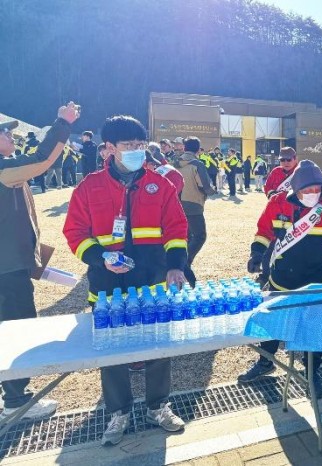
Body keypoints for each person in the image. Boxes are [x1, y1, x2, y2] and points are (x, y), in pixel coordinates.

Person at [63, 115, 188, 446]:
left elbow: (176, 228)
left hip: (152, 283)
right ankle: (118, 411)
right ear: (109, 149)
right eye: (129, 145)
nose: (137, 151)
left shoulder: (160, 185)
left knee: (160, 346)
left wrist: (176, 265)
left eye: (140, 145)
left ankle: (158, 405)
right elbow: (75, 232)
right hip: (107, 287)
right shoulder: (89, 187)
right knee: (112, 350)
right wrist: (101, 257)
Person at [240, 160, 322, 394]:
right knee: (273, 323)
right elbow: (263, 231)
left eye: (317, 189)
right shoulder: (278, 204)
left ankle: (312, 371)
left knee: (312, 330)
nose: (313, 194)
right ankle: (265, 362)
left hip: (312, 281)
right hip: (280, 279)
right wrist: (256, 253)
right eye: (307, 189)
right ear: (296, 189)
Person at [0, 102, 79, 423]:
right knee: (16, 330)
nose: (11, 136)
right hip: (6, 272)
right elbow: (41, 159)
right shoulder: (4, 170)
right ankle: (16, 399)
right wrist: (62, 122)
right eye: (6, 132)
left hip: (10, 265)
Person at [173, 136, 215, 286]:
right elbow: (206, 186)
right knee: (199, 236)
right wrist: (212, 191)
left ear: (184, 148)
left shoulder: (174, 163)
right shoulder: (197, 164)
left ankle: (182, 265)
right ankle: (184, 263)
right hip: (193, 204)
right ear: (198, 149)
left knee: (185, 237)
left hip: (175, 204)